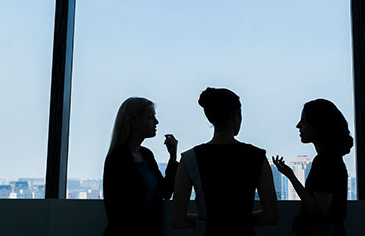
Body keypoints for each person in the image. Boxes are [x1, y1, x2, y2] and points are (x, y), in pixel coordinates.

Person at [171, 87, 279, 236]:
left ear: (210, 117)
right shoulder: (257, 157)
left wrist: (204, 220)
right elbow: (272, 216)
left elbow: (177, 220)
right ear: (237, 115)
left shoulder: (189, 158)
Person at [273, 99, 352, 236]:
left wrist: (291, 176)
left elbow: (319, 210)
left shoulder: (325, 161)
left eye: (304, 121)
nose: (298, 126)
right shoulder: (332, 159)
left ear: (317, 125)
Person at [102, 97, 178, 236]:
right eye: (151, 117)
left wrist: (173, 157)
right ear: (134, 122)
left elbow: (165, 192)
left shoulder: (146, 154)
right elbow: (118, 212)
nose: (156, 122)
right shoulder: (117, 159)